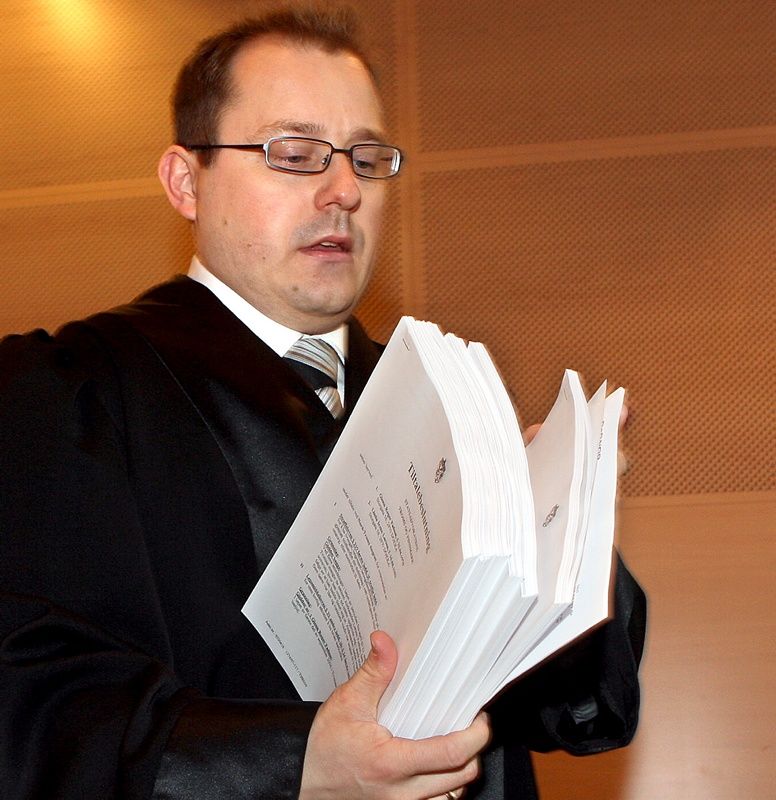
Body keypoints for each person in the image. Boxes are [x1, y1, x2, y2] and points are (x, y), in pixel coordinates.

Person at [0, 6, 646, 799]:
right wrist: (293, 764)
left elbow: (576, 713)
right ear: (186, 181)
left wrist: (563, 531)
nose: (344, 190)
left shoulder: (450, 410)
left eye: (366, 158)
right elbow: (30, 705)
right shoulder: (64, 393)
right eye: (295, 153)